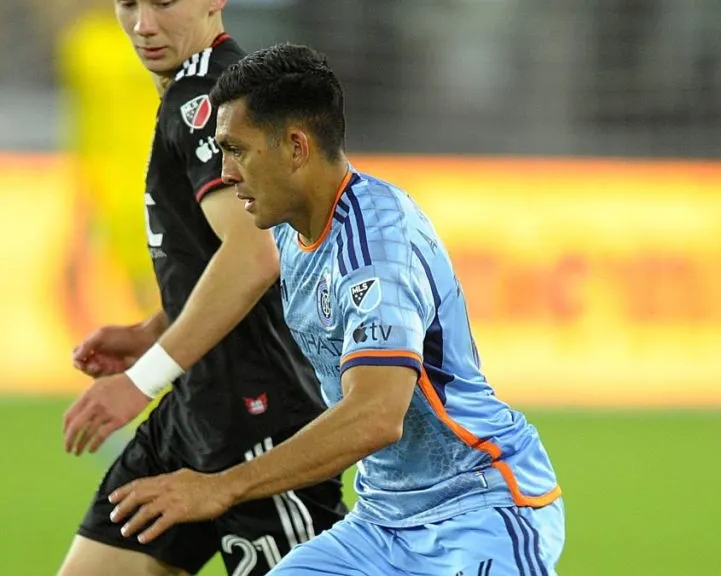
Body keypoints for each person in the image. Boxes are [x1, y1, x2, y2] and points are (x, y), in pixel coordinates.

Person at [107, 43, 566, 575]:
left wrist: (221, 489)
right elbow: (239, 290)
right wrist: (155, 332)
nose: (227, 173)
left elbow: (375, 415)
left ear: (296, 148)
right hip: (382, 522)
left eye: (237, 150)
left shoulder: (375, 247)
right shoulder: (288, 228)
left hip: (478, 507)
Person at [57, 5, 347, 576]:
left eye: (164, 3)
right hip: (198, 412)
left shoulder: (208, 102)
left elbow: (253, 256)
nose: (143, 25)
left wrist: (140, 382)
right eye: (129, 4)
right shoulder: (216, 89)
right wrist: (157, 327)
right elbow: (236, 255)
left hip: (260, 423)